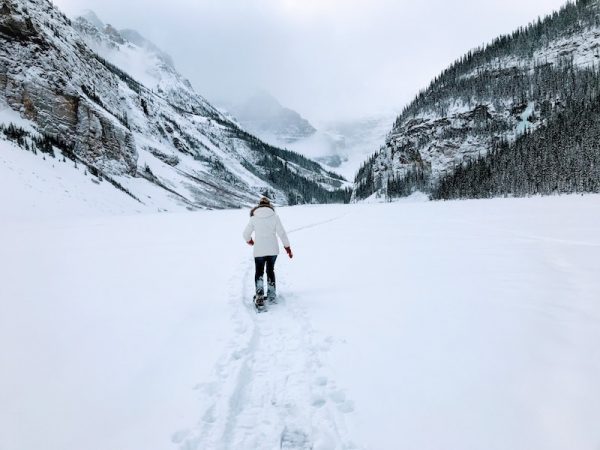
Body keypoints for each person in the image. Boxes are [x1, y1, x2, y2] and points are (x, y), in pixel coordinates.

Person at [243, 197, 293, 307]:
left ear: (259, 205)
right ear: (269, 205)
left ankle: (260, 297)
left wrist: (250, 241)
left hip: (259, 250)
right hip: (273, 250)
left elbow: (245, 234)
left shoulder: (254, 218)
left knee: (259, 272)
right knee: (270, 270)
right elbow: (282, 234)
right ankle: (271, 295)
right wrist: (287, 248)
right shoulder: (275, 217)